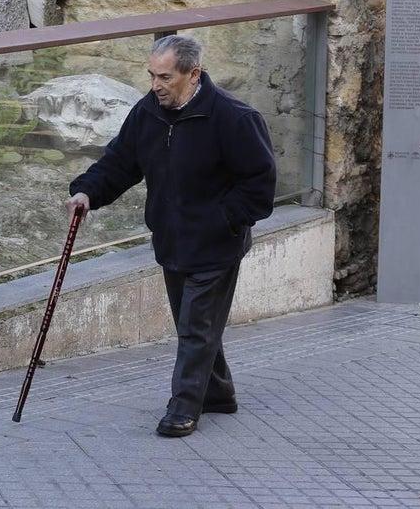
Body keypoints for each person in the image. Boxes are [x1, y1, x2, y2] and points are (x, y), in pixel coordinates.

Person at [66, 35, 276, 437]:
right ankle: (218, 394)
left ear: (193, 74)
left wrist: (224, 220)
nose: (155, 84)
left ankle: (183, 407)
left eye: (165, 77)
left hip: (217, 243)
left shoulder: (234, 117)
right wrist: (87, 191)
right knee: (193, 324)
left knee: (196, 327)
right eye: (151, 75)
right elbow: (121, 162)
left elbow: (259, 185)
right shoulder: (149, 113)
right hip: (171, 241)